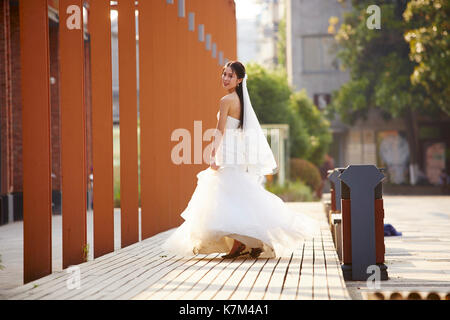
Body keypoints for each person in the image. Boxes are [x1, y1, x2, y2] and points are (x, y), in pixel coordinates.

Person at [161, 61, 320, 259]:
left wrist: (212, 154)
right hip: (236, 152)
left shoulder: (226, 100)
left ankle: (241, 244)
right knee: (237, 195)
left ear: (239, 80)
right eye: (224, 74)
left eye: (230, 75)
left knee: (229, 196)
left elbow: (220, 130)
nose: (225, 78)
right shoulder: (241, 101)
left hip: (228, 151)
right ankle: (249, 243)